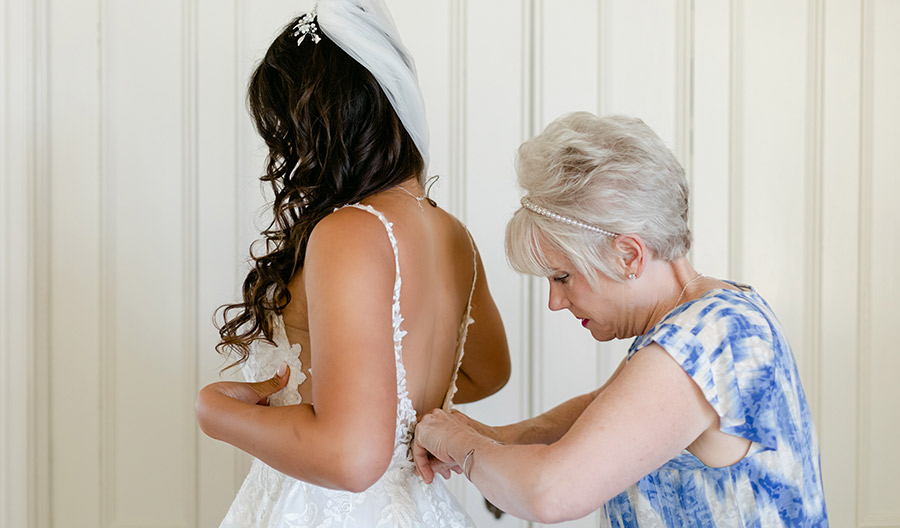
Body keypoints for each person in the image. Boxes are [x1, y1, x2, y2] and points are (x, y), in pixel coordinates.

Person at [412, 112, 828, 527]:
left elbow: (551, 493)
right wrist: (497, 439)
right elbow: (604, 408)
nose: (555, 302)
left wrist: (459, 443)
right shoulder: (713, 312)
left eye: (563, 277)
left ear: (629, 255)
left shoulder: (707, 337)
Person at [194, 2, 510, 526]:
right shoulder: (453, 234)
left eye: (288, 127)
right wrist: (392, 410)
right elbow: (487, 371)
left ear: (324, 120)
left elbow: (351, 458)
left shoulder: (348, 233)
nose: (286, 148)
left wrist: (217, 413)